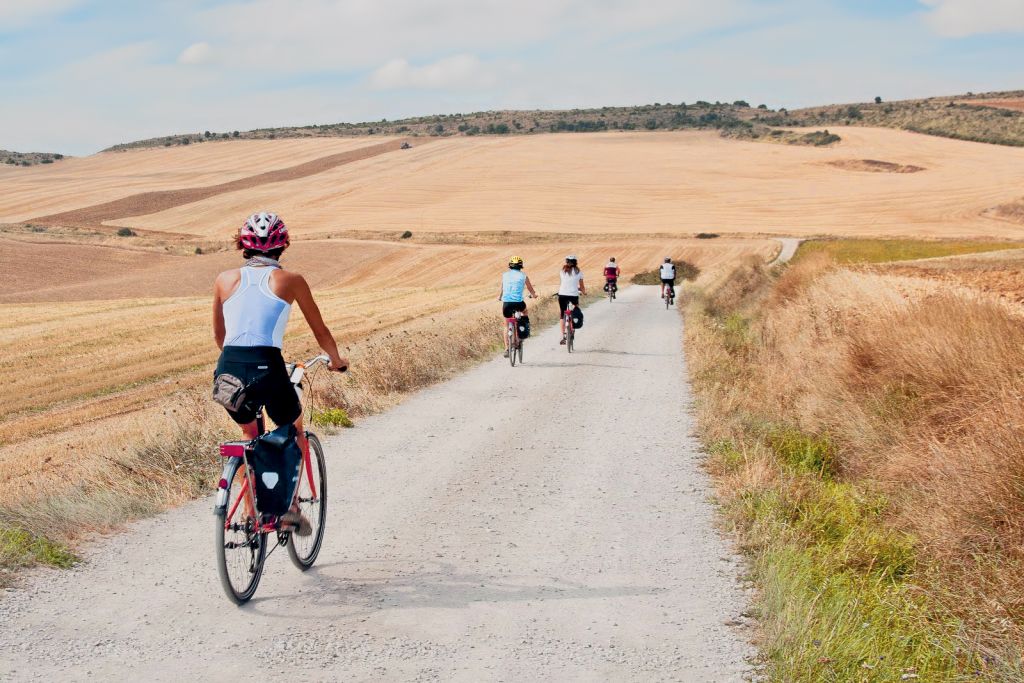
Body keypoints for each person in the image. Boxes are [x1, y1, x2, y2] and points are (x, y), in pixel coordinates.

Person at [212, 211, 348, 535]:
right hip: (268, 367)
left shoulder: (224, 280)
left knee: (249, 434)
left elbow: (221, 337)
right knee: (292, 428)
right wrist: (336, 360)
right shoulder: (291, 280)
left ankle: (250, 514)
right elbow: (321, 331)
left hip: (228, 371)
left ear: (243, 245)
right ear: (282, 246)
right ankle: (288, 507)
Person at [498, 256, 537, 357]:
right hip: (518, 303)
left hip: (506, 304)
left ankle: (507, 348)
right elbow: (530, 289)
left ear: (510, 266)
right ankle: (523, 326)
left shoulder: (505, 275)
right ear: (521, 266)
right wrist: (534, 295)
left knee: (506, 325)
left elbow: (502, 288)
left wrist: (500, 297)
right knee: (524, 312)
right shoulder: (523, 276)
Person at [558, 255, 586, 344]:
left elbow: (565, 282)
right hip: (574, 295)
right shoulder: (579, 272)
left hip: (562, 295)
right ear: (575, 262)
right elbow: (581, 286)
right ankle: (572, 328)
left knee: (562, 314)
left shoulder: (562, 271)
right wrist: (583, 292)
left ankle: (564, 335)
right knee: (575, 310)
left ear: (567, 262)